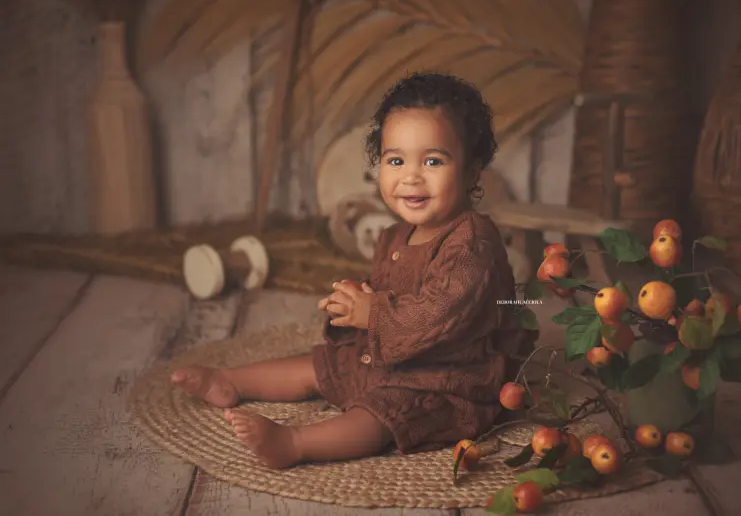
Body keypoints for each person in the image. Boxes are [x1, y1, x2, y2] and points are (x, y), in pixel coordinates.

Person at [170, 72, 532, 469]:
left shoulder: (472, 243)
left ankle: (295, 442)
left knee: (381, 413)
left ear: (472, 170)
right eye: (396, 160)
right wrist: (353, 302)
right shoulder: (396, 235)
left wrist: (372, 312)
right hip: (390, 356)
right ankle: (231, 381)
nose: (411, 176)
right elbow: (388, 292)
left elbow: (437, 314)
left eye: (433, 160)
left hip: (448, 378)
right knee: (321, 364)